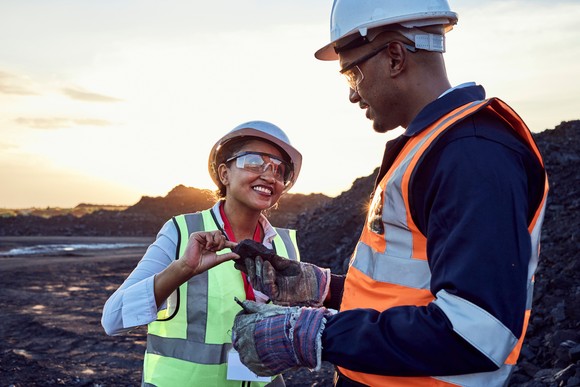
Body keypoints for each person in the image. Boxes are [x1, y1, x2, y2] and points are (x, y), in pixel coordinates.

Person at [230, 1, 549, 386]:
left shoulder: (471, 154)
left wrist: (312, 334)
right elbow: (409, 291)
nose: (352, 95)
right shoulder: (434, 147)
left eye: (352, 74)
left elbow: (476, 332)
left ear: (395, 56)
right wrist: (324, 288)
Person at [101, 120, 304, 386]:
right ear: (224, 173)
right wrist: (182, 269)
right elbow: (113, 318)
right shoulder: (181, 232)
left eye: (280, 169)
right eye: (254, 161)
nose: (269, 175)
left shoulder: (286, 247)